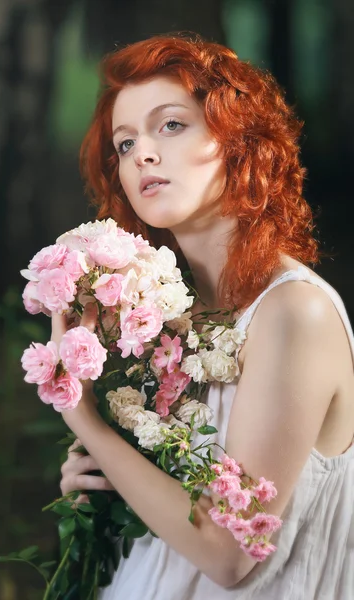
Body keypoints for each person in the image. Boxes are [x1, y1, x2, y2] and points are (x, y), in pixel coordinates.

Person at [56, 34, 354, 599]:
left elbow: (229, 553)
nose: (142, 152)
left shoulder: (295, 312)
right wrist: (102, 475)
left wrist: (86, 419)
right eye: (124, 143)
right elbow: (170, 502)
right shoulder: (166, 318)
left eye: (170, 125)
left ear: (239, 140)